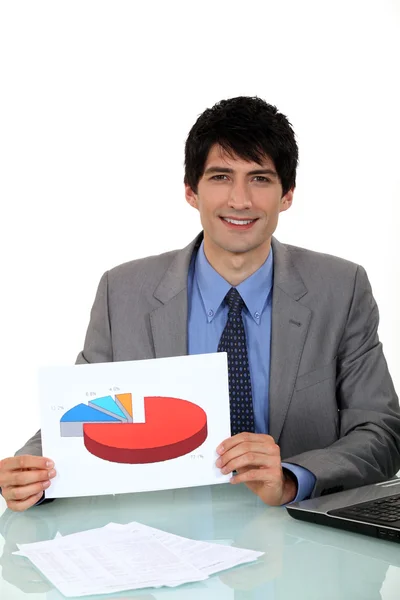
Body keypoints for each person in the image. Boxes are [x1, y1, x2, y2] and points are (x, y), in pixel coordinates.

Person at [1, 96, 400, 513]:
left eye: (260, 179)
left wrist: (290, 478)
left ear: (288, 195)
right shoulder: (123, 292)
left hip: (296, 537)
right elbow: (85, 413)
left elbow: (383, 432)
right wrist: (31, 473)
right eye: (221, 177)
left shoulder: (341, 288)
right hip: (166, 536)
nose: (240, 200)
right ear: (191, 192)